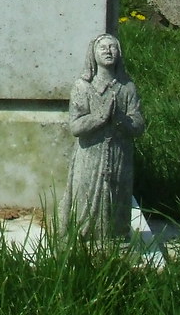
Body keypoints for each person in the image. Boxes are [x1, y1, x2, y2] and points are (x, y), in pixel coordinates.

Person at [59, 33, 145, 241]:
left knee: (116, 195)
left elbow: (139, 123)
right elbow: (76, 126)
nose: (108, 51)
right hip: (91, 153)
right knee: (86, 196)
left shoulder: (127, 88)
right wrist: (99, 118)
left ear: (120, 53)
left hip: (119, 152)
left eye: (112, 47)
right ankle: (82, 235)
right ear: (93, 54)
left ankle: (114, 237)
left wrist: (122, 121)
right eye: (102, 48)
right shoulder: (83, 87)